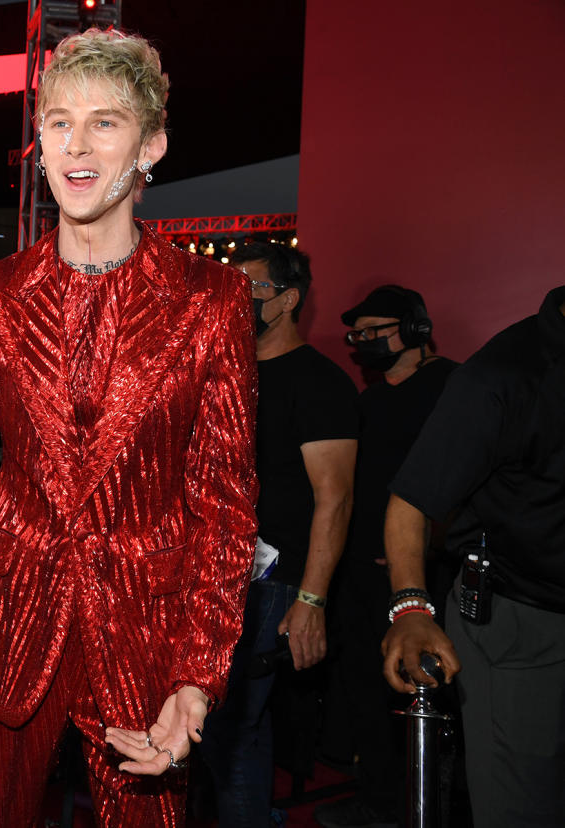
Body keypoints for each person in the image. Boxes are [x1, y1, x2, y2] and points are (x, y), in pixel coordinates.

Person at [0, 28, 259, 826]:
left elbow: (224, 505)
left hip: (146, 634)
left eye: (105, 123)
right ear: (38, 142)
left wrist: (199, 671)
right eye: (59, 122)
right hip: (13, 619)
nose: (76, 144)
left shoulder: (212, 300)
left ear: (151, 146)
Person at [381, 285, 565, 827]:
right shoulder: (502, 375)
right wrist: (411, 608)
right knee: (525, 810)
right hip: (522, 621)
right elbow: (411, 502)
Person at [199, 241, 357, 827]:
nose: (234, 300)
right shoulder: (225, 372)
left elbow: (335, 499)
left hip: (273, 582)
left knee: (228, 726)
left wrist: (311, 599)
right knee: (237, 723)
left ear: (287, 301)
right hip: (216, 571)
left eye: (250, 290)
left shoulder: (319, 384)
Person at [314, 286, 456, 828]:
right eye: (361, 334)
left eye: (380, 329)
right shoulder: (367, 401)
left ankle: (437, 809)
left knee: (430, 696)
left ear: (417, 331)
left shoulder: (451, 387)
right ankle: (378, 803)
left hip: (422, 580)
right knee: (363, 688)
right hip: (357, 572)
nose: (368, 341)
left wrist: (424, 547)